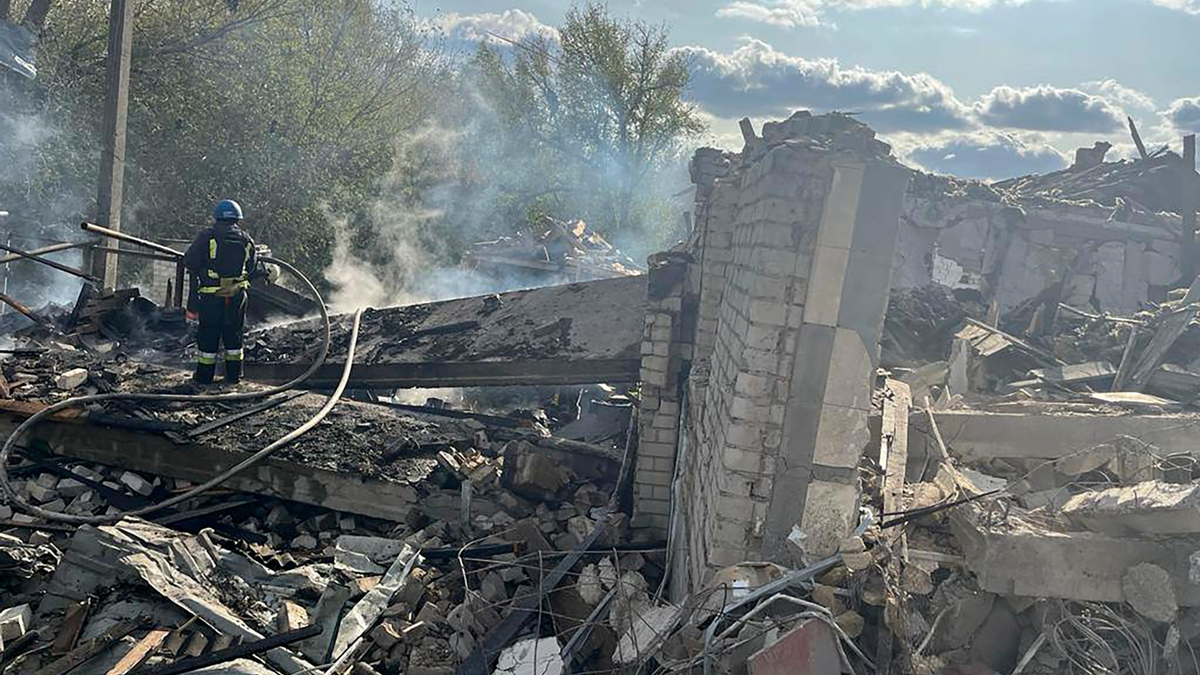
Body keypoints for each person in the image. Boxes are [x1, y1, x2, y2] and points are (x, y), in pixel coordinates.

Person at [183, 199, 271, 384]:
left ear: (216, 217)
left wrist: (203, 271)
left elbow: (189, 261)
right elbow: (252, 268)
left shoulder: (207, 236)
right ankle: (234, 377)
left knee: (208, 335)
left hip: (211, 296)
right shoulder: (246, 239)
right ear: (237, 218)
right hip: (237, 296)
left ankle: (204, 377)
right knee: (234, 335)